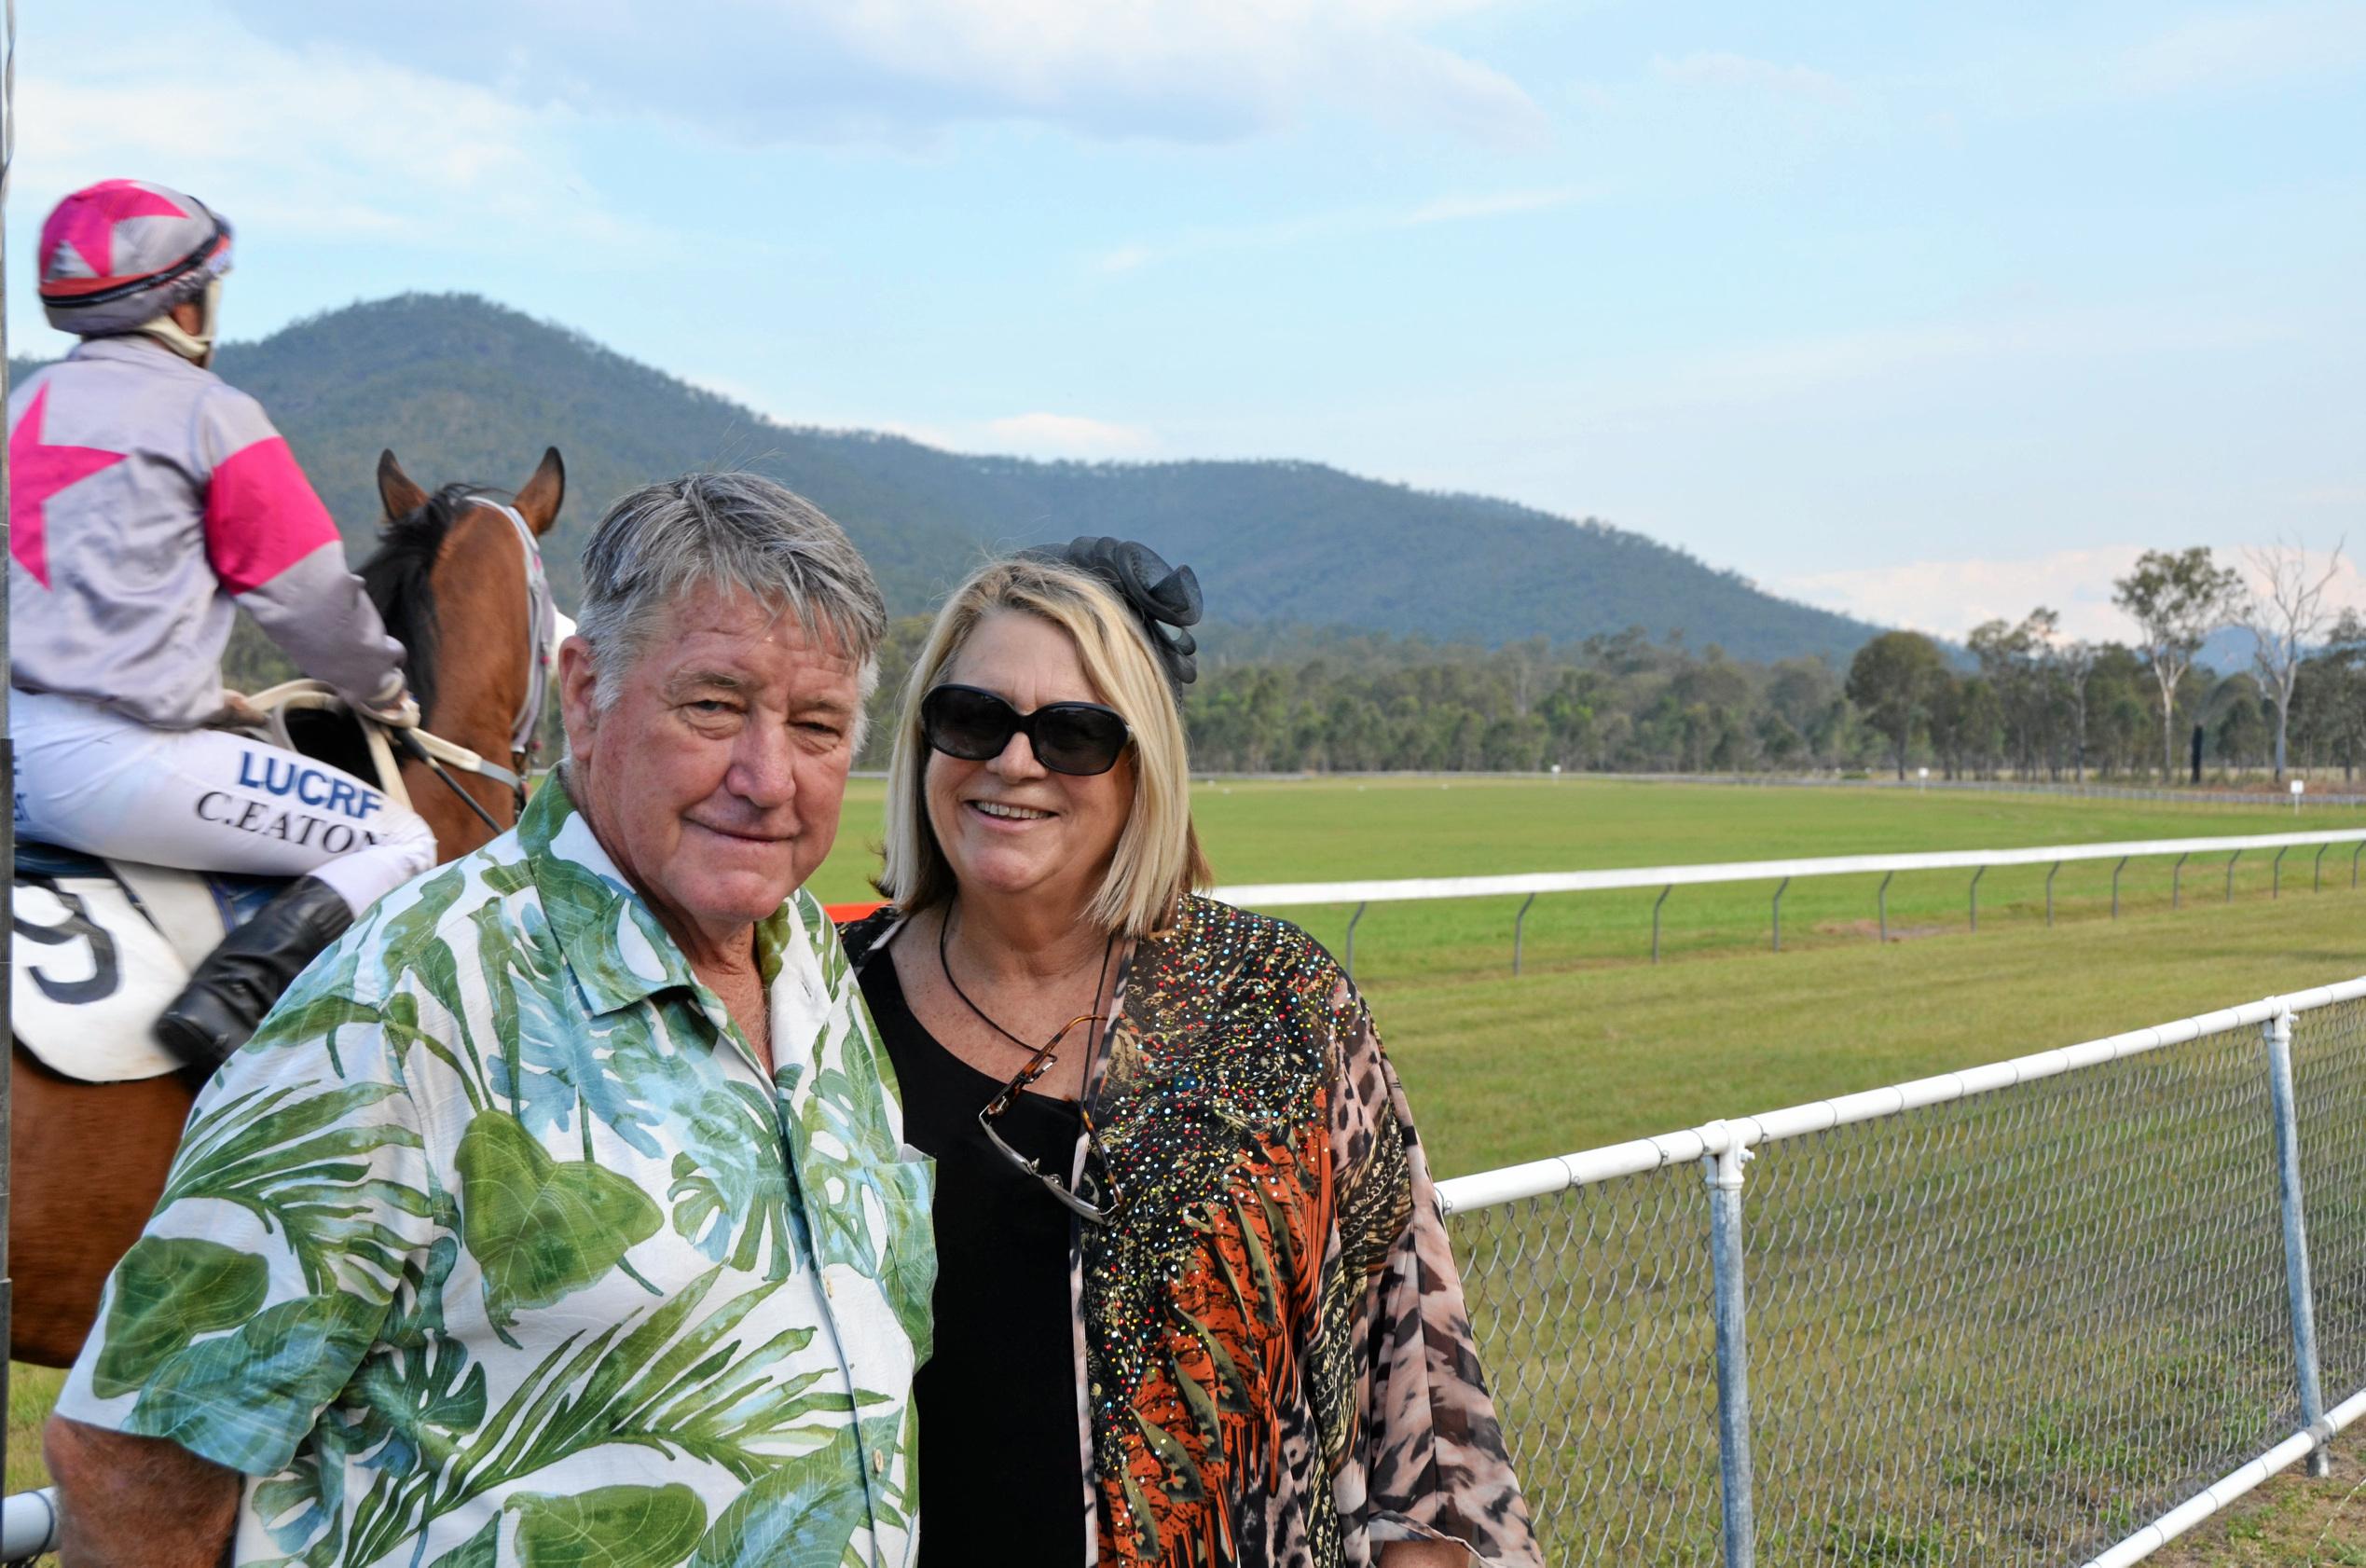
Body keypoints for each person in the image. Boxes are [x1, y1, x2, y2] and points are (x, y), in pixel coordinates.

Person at [45, 474, 937, 1568]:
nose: (767, 776)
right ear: (585, 688)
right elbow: (133, 1455)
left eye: (818, 725)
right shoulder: (407, 998)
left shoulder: (809, 960)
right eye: (712, 704)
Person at [843, 539, 1541, 1567]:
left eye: (1073, 734)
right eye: (972, 716)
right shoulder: (817, 1005)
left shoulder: (1280, 1004)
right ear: (923, 738)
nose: (1014, 760)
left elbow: (1417, 1399)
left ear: (1143, 769)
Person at [10, 176, 436, 1071]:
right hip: (117, 769)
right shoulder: (213, 414)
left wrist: (206, 700)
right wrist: (386, 690)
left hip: (17, 751)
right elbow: (311, 600)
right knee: (402, 839)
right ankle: (231, 1000)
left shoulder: (22, 410)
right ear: (182, 303)